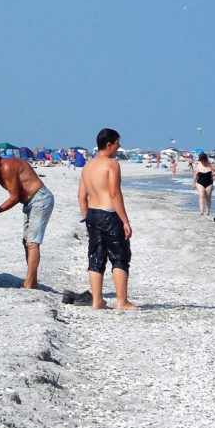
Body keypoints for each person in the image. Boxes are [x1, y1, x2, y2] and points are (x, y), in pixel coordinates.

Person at [0, 146, 54, 289]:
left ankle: (30, 284)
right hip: (29, 202)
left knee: (32, 243)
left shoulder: (7, 167)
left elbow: (14, 198)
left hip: (40, 199)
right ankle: (32, 281)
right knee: (26, 242)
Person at [78, 128, 136, 310]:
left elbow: (81, 196)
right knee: (119, 256)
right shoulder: (111, 165)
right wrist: (125, 220)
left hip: (93, 214)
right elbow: (114, 193)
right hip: (109, 214)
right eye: (117, 144)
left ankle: (97, 301)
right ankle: (122, 301)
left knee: (96, 256)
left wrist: (87, 219)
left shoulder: (88, 166)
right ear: (109, 144)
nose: (119, 148)